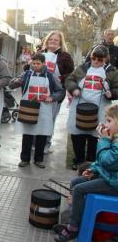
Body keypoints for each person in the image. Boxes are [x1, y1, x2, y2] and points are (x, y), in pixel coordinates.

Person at [53, 104, 118, 242]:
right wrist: (93, 169)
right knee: (76, 182)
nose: (105, 124)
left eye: (109, 121)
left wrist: (104, 140)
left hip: (114, 184)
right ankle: (73, 220)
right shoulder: (114, 138)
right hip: (110, 178)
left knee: (79, 189)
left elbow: (108, 161)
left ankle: (73, 228)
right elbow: (102, 162)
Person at [66, 45, 118, 170]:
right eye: (94, 58)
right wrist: (74, 89)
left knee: (95, 135)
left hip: (100, 108)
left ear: (106, 59)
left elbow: (116, 87)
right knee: (78, 134)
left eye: (100, 59)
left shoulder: (112, 71)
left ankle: (91, 162)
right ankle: (78, 160)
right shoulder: (82, 68)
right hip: (79, 106)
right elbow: (69, 80)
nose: (96, 61)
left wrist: (112, 93)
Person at [9, 53, 64, 168]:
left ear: (44, 63)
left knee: (42, 134)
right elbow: (11, 85)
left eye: (38, 63)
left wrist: (52, 97)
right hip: (28, 109)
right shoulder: (26, 74)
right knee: (27, 134)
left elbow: (60, 91)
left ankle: (39, 159)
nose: (35, 66)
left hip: (44, 110)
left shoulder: (50, 76)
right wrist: (16, 82)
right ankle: (25, 159)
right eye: (33, 63)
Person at [41, 31, 74, 153]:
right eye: (51, 39)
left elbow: (71, 74)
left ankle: (46, 144)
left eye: (56, 40)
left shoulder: (65, 56)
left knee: (50, 119)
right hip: (39, 91)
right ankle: (36, 142)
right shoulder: (40, 54)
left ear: (60, 42)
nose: (53, 41)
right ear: (47, 41)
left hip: (55, 93)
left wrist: (62, 78)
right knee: (38, 118)